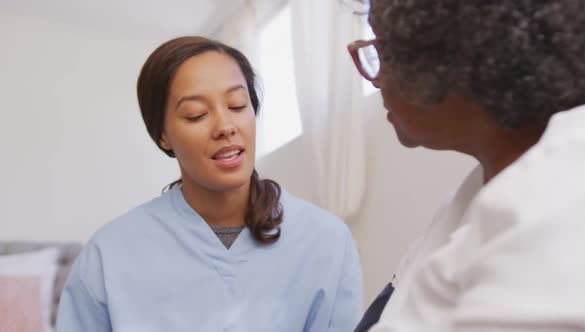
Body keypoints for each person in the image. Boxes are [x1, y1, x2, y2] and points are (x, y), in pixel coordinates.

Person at [56, 36, 362, 332]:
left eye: (238, 105)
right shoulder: (109, 256)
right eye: (196, 114)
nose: (225, 127)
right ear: (162, 135)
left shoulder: (325, 241)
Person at [348, 1, 585, 331]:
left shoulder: (564, 204)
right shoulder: (465, 205)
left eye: (383, 50)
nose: (376, 81)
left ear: (451, 56)